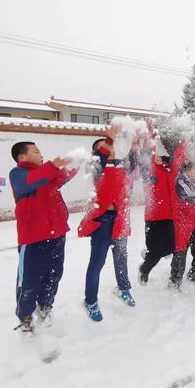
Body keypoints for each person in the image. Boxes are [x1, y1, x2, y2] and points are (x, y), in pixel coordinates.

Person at [9, 141, 76, 335]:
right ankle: (25, 317)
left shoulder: (47, 173)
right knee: (29, 281)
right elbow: (32, 180)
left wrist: (79, 161)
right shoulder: (19, 175)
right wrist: (53, 165)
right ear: (22, 157)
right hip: (33, 239)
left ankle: (45, 305)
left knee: (53, 275)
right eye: (36, 152)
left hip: (56, 234)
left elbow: (65, 175)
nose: (40, 155)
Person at [78, 125, 139, 321]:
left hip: (120, 220)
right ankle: (90, 301)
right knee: (97, 262)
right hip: (102, 221)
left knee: (121, 257)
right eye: (106, 148)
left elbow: (134, 158)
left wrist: (137, 139)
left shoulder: (121, 165)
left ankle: (123, 288)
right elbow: (100, 158)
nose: (111, 150)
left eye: (112, 148)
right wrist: (109, 139)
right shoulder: (94, 167)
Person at [138, 124, 186, 284]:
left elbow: (178, 157)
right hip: (154, 218)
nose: (158, 157)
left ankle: (150, 253)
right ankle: (144, 270)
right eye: (156, 155)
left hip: (170, 217)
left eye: (161, 155)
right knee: (157, 252)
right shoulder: (151, 170)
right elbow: (147, 152)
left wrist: (185, 139)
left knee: (171, 247)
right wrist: (150, 134)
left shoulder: (171, 172)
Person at [169, 161, 195, 289]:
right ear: (188, 170)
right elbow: (190, 197)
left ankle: (194, 274)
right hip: (180, 225)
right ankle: (174, 282)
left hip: (193, 225)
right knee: (180, 253)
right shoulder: (181, 181)